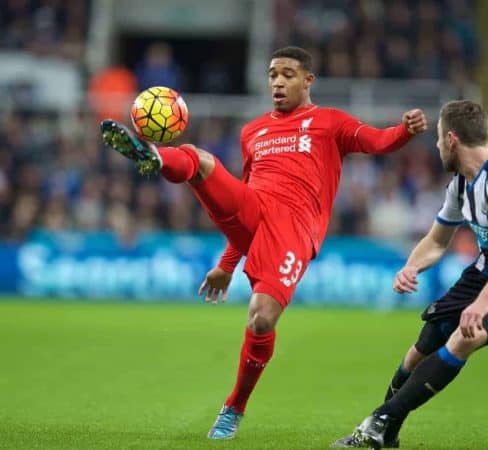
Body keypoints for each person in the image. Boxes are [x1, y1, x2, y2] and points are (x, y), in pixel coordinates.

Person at [99, 46, 428, 440]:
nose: (277, 82)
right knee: (201, 161)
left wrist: (405, 130)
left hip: (294, 230)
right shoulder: (252, 132)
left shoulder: (329, 122)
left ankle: (234, 406)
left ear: (308, 80)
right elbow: (245, 209)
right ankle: (153, 155)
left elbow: (378, 141)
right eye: (273, 74)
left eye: (287, 74)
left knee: (261, 317)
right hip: (256, 207)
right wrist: (227, 262)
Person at [332, 100, 488, 449]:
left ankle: (376, 423)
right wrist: (411, 266)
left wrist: (483, 302)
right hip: (486, 272)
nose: (437, 147)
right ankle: (388, 433)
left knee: (464, 338)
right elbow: (437, 241)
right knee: (420, 349)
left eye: (438, 139)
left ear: (451, 139)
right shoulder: (461, 185)